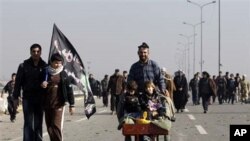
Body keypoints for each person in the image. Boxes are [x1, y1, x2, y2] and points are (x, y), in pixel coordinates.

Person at [13, 43, 47, 141]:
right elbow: (18, 83)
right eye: (33, 51)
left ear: (41, 52)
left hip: (40, 99)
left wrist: (46, 82)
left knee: (38, 123)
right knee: (28, 123)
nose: (36, 53)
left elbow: (50, 81)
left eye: (38, 51)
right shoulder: (23, 66)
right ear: (30, 52)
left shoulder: (45, 66)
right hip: (27, 99)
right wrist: (15, 98)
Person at [41, 53, 75, 141]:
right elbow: (38, 86)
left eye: (59, 63)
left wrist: (72, 105)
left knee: (56, 126)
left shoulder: (63, 74)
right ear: (51, 62)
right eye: (55, 62)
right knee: (49, 127)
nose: (58, 64)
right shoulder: (45, 72)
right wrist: (42, 84)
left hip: (59, 104)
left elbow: (69, 90)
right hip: (47, 104)